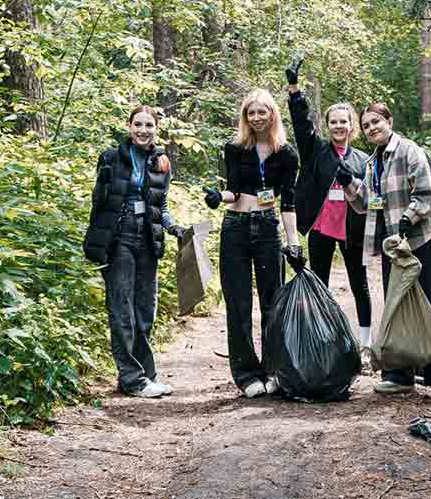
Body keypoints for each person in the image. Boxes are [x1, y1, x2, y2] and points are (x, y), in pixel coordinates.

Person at [339, 103, 431, 401]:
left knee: (430, 305)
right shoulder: (373, 162)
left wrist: (408, 218)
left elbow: (426, 194)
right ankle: (399, 377)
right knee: (396, 308)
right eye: (366, 126)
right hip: (393, 246)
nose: (372, 128)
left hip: (419, 241)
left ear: (389, 120)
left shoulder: (409, 151)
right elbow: (364, 203)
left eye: (376, 122)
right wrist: (347, 182)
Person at [203, 89, 305, 398]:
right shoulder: (234, 149)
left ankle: (274, 370)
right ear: (245, 117)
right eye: (251, 113)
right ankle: (247, 374)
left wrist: (293, 242)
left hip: (267, 227)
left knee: (272, 302)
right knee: (238, 303)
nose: (256, 118)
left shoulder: (287, 154)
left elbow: (288, 203)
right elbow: (233, 190)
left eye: (262, 112)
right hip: (235, 226)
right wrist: (217, 197)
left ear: (273, 115)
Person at [83, 106, 187, 398]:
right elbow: (100, 204)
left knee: (145, 310)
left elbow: (160, 207)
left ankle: (144, 374)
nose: (143, 130)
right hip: (119, 239)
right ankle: (132, 378)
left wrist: (174, 228)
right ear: (129, 127)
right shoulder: (111, 157)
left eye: (149, 125)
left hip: (147, 240)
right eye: (138, 124)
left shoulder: (161, 162)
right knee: (121, 309)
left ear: (157, 129)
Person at [284, 57, 372, 346]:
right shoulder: (317, 150)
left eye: (343, 122)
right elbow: (302, 125)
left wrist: (352, 184)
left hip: (352, 230)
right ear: (328, 125)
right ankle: (322, 338)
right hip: (321, 227)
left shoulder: (361, 159)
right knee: (319, 282)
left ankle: (366, 342)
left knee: (359, 284)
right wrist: (295, 91)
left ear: (351, 126)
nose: (338, 126)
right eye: (333, 122)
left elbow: (369, 199)